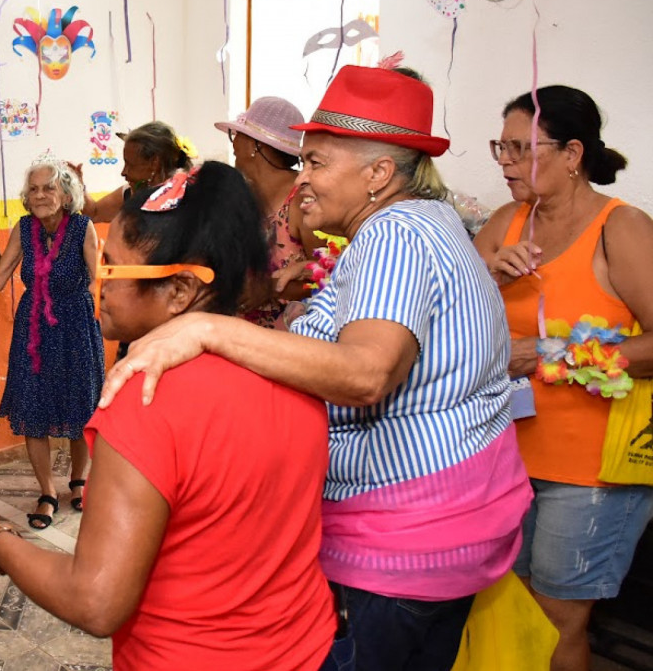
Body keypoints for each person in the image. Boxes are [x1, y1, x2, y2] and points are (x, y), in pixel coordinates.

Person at [97, 66, 533, 671]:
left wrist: (207, 328)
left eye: (318, 163)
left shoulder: (397, 234)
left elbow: (364, 374)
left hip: (404, 537)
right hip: (452, 524)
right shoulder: (428, 222)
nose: (302, 179)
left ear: (380, 174)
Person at [0, 161, 334, 670]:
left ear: (180, 292)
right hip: (306, 650)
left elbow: (96, 601)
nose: (97, 283)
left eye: (113, 268)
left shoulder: (144, 400)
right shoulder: (301, 370)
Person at [474, 86, 653, 671]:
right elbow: (447, 319)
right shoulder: (506, 222)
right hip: (506, 453)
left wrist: (548, 352)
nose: (503, 161)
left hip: (593, 467)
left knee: (557, 619)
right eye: (501, 146)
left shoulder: (619, 228)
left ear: (573, 154)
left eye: (521, 148)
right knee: (510, 605)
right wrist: (486, 279)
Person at [0, 154, 104, 528]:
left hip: (76, 327)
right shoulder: (23, 230)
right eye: (33, 189)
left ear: (66, 194)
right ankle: (47, 492)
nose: (39, 195)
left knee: (79, 406)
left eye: (48, 187)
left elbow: (100, 281)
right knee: (34, 406)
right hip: (34, 327)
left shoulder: (84, 228)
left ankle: (78, 481)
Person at [214, 96, 324, 327]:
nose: (233, 145)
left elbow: (328, 277)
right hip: (238, 332)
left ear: (256, 146)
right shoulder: (243, 194)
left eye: (237, 135)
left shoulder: (303, 200)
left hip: (287, 341)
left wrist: (269, 290)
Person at [78, 121, 191, 223]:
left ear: (154, 163)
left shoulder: (187, 197)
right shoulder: (129, 193)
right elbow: (94, 214)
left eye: (130, 165)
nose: (123, 172)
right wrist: (79, 185)